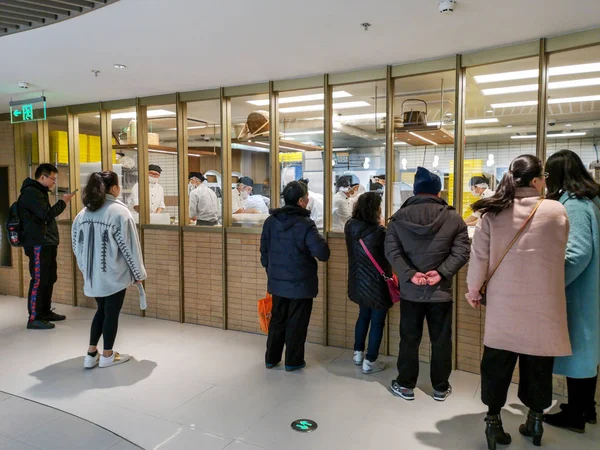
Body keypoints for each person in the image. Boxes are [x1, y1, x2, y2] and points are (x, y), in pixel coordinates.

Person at [466, 154, 571, 449]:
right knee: (538, 364)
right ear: (538, 180)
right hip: (544, 304)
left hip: (504, 305)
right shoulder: (556, 211)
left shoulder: (492, 213)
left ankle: (493, 422)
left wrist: (473, 292)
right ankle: (535, 420)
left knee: (497, 363)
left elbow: (479, 259)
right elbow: (560, 252)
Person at [385, 167, 469, 402]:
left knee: (409, 339)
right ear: (438, 191)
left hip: (411, 292)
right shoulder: (454, 218)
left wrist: (410, 274)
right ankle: (440, 387)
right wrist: (441, 273)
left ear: (415, 190)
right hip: (440, 292)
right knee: (441, 340)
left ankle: (405, 385)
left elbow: (391, 251)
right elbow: (462, 251)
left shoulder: (398, 218)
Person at [543, 150, 600, 434]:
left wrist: (552, 282)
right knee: (587, 352)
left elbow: (577, 254)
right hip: (590, 289)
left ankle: (576, 415)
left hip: (579, 291)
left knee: (579, 351)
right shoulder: (592, 199)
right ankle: (586, 408)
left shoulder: (575, 205)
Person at [72, 171, 147, 369]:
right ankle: (107, 355)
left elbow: (75, 244)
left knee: (101, 310)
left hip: (92, 275)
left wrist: (86, 269)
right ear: (113, 188)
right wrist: (138, 275)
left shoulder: (83, 213)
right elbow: (129, 247)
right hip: (114, 275)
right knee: (111, 313)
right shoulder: (120, 213)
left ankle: (91, 353)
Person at [260, 181, 330, 371]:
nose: (308, 200)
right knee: (297, 323)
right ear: (301, 200)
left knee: (277, 320)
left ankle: (271, 358)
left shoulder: (270, 221)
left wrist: (272, 272)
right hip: (301, 283)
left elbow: (264, 252)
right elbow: (322, 254)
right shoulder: (306, 224)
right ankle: (293, 361)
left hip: (277, 282)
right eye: (306, 197)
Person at [18, 163, 75, 330]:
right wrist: (63, 202)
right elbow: (46, 215)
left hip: (46, 242)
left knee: (49, 278)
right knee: (38, 279)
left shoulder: (39, 192)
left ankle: (45, 312)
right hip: (37, 243)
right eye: (53, 179)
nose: (54, 182)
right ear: (42, 177)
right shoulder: (31, 193)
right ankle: (34, 317)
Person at [345, 192, 392, 374]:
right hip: (377, 284)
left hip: (357, 282)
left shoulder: (350, 226)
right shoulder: (380, 232)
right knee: (377, 322)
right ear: (376, 209)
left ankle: (358, 353)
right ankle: (370, 360)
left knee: (363, 315)